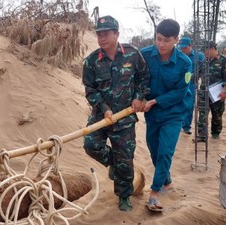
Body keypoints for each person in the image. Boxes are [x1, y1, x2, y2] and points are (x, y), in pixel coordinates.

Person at [82, 15, 150, 211]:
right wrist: (104, 108)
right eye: (99, 34)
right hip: (101, 116)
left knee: (126, 158)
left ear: (117, 34)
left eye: (106, 34)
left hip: (125, 117)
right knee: (91, 145)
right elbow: (90, 89)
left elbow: (144, 77)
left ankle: (124, 195)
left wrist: (138, 96)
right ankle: (113, 162)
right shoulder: (92, 61)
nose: (102, 38)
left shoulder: (132, 54)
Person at [141, 19, 192, 212]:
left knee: (165, 152)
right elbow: (138, 80)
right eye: (158, 39)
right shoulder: (145, 55)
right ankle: (167, 180)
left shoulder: (184, 63)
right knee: (154, 150)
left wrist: (155, 101)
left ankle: (154, 194)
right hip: (152, 114)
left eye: (166, 40)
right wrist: (141, 98)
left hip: (174, 112)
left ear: (176, 40)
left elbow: (180, 92)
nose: (161, 44)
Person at [197, 41, 226, 141]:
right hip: (204, 93)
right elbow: (198, 73)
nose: (205, 53)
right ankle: (201, 135)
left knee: (217, 115)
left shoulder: (223, 61)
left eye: (206, 51)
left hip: (217, 93)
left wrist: (224, 92)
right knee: (202, 114)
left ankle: (215, 133)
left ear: (212, 49)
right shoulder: (205, 61)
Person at [177, 37, 205, 135]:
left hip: (192, 84)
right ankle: (179, 123)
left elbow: (202, 69)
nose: (183, 50)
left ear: (190, 46)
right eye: (181, 48)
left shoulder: (199, 56)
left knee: (189, 104)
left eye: (185, 48)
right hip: (180, 83)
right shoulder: (178, 55)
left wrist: (195, 76)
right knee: (179, 103)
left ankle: (186, 126)